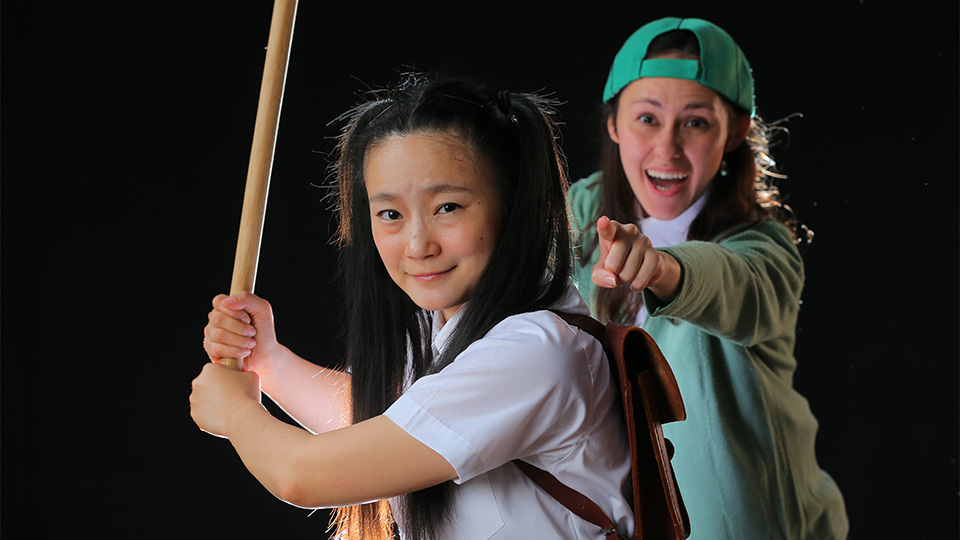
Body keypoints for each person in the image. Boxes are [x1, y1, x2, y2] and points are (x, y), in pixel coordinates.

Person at [191, 75, 635, 540]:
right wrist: (269, 362)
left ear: (512, 203)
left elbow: (302, 475)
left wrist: (237, 413)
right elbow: (384, 432)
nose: (418, 245)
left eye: (447, 207)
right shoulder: (445, 325)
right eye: (390, 215)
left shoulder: (535, 352)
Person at [568, 17, 848, 539]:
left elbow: (736, 283)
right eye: (647, 119)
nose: (667, 148)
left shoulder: (766, 248)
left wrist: (663, 267)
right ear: (614, 124)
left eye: (694, 122)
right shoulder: (577, 216)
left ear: (737, 131)